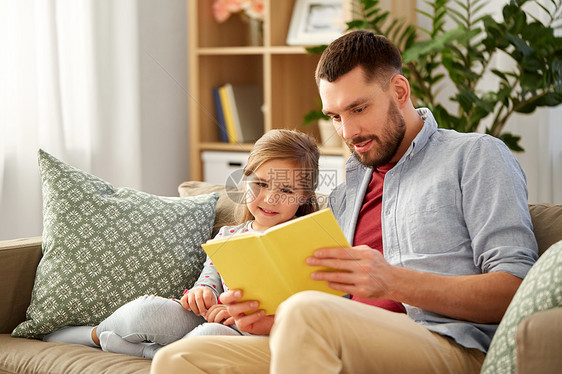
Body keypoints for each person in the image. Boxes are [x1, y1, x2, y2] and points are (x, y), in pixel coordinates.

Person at [150, 31, 538, 373]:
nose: (347, 132)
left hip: (446, 345)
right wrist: (271, 322)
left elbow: (516, 288)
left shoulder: (475, 156)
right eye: (335, 116)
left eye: (358, 109)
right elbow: (326, 306)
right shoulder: (349, 189)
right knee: (178, 359)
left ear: (399, 92)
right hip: (337, 338)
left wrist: (395, 281)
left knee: (306, 311)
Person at [43, 128, 321, 359]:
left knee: (208, 337)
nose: (270, 199)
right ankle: (91, 334)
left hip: (251, 335)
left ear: (304, 195)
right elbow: (208, 281)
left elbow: (316, 307)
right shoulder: (228, 236)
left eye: (286, 190)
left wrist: (243, 316)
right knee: (149, 310)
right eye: (260, 184)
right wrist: (202, 294)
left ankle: (146, 352)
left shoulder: (310, 239)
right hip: (210, 318)